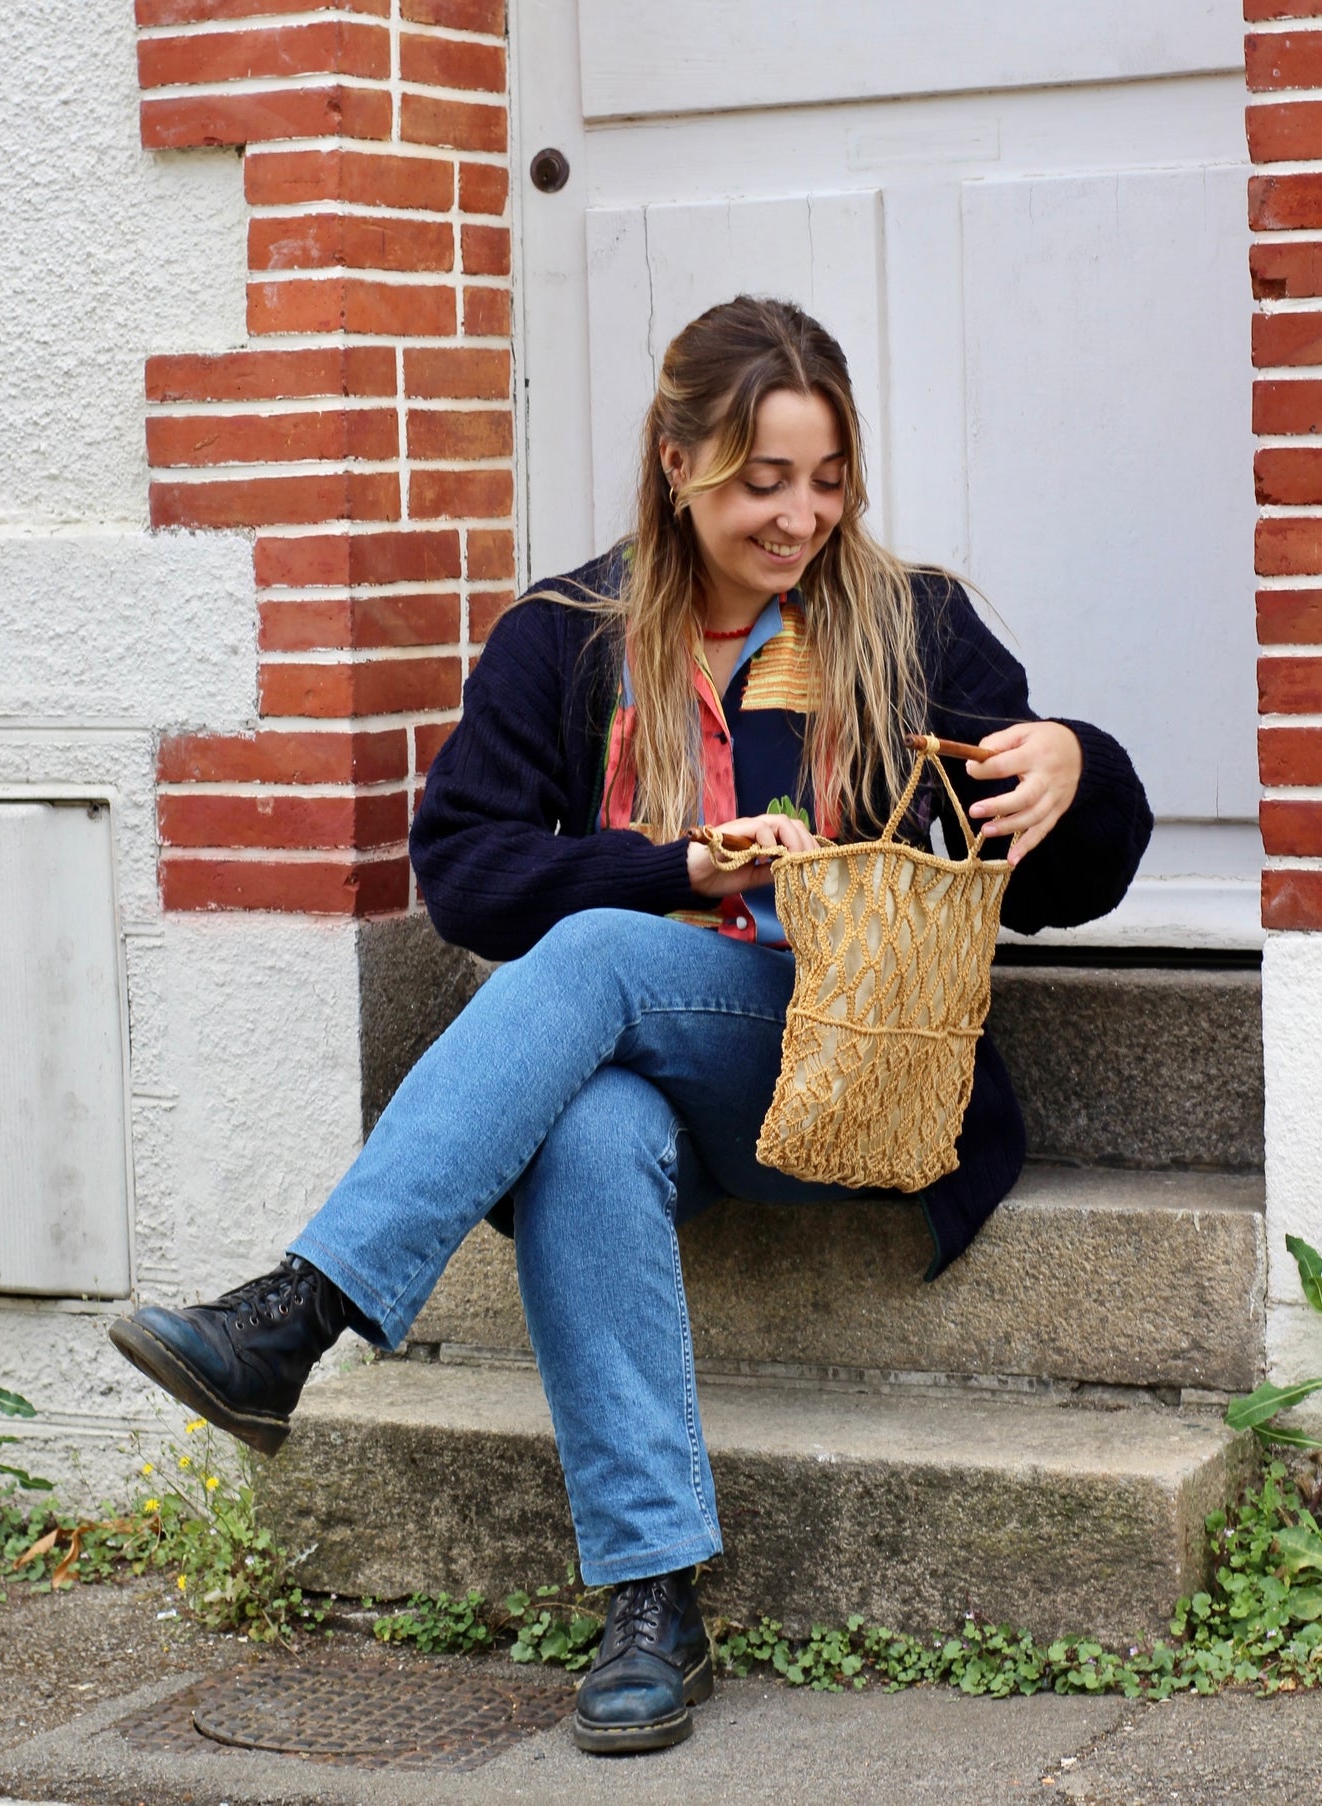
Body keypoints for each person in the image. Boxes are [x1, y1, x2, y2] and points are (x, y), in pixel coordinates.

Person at [109, 296, 1152, 1755]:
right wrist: (673, 868)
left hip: (862, 1075)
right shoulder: (566, 636)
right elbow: (462, 872)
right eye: (760, 479)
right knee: (588, 1126)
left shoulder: (912, 624)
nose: (799, 516)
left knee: (594, 949)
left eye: (826, 476)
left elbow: (1071, 885)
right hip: (673, 1090)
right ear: (676, 463)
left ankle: (306, 1308)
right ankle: (654, 1596)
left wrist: (1073, 763)